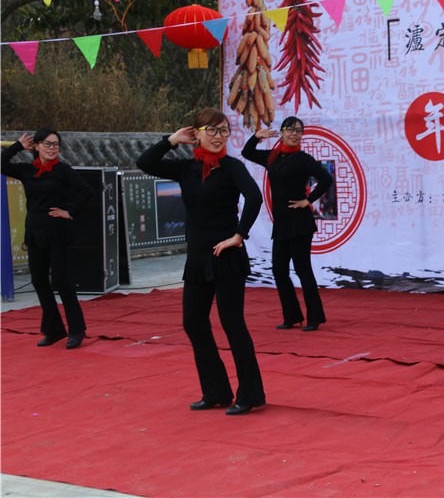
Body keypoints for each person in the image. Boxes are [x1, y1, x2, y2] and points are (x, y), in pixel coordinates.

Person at [136, 108, 265, 415]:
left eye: (224, 131)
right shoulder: (186, 168)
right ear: (197, 133)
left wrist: (239, 235)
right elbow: (145, 163)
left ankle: (250, 394)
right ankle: (216, 391)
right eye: (212, 130)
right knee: (193, 322)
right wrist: (171, 140)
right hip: (197, 257)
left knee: (232, 323)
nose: (219, 137)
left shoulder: (232, 167)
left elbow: (255, 197)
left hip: (227, 256)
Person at [1, 129, 93, 349]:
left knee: (61, 280)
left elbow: (86, 191)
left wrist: (70, 212)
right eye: (47, 144)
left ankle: (77, 329)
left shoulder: (63, 170)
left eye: (56, 144)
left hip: (57, 231)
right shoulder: (27, 170)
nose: (52, 148)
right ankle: (53, 330)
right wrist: (17, 146)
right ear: (37, 146)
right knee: (39, 280)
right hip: (34, 232)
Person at [241, 116, 333, 332]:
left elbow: (326, 179)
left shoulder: (304, 159)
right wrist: (256, 137)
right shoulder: (272, 157)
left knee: (303, 270)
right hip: (281, 223)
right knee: (279, 271)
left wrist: (308, 201)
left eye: (298, 131)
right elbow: (247, 152)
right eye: (290, 130)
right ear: (282, 133)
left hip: (300, 223)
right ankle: (291, 316)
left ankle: (314, 317)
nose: (294, 134)